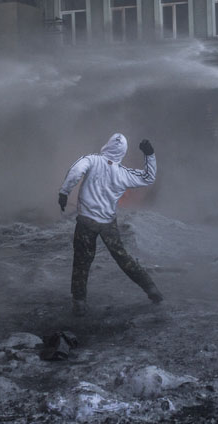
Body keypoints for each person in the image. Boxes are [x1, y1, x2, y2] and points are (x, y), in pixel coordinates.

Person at [58, 133, 163, 316]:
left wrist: (64, 193)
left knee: (82, 262)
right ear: (123, 152)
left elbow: (75, 172)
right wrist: (150, 155)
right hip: (108, 223)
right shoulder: (123, 173)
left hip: (86, 221)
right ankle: (152, 290)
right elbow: (148, 178)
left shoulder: (91, 160)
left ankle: (79, 304)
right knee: (123, 258)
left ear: (106, 145)